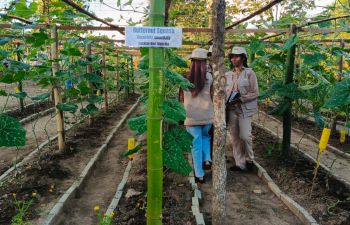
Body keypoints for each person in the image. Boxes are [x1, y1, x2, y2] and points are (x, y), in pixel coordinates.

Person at [182, 48, 214, 183]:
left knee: (196, 144)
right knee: (206, 137)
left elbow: (181, 98)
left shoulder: (184, 78)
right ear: (205, 62)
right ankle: (207, 158)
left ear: (192, 62)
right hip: (207, 114)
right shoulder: (209, 77)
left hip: (191, 116)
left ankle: (199, 174)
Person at [225, 46, 259, 172]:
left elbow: (255, 92)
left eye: (237, 56)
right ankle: (240, 163)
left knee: (245, 136)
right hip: (231, 109)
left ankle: (250, 159)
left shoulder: (250, 73)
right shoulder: (228, 74)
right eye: (232, 56)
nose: (234, 59)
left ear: (243, 58)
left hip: (245, 109)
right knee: (235, 137)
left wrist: (241, 98)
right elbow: (224, 91)